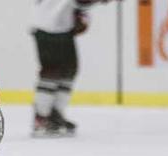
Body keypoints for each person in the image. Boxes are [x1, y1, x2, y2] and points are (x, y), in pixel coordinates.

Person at [29, 0, 112, 137]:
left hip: (60, 26)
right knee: (51, 72)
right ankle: (41, 117)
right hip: (49, 26)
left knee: (69, 71)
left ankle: (54, 114)